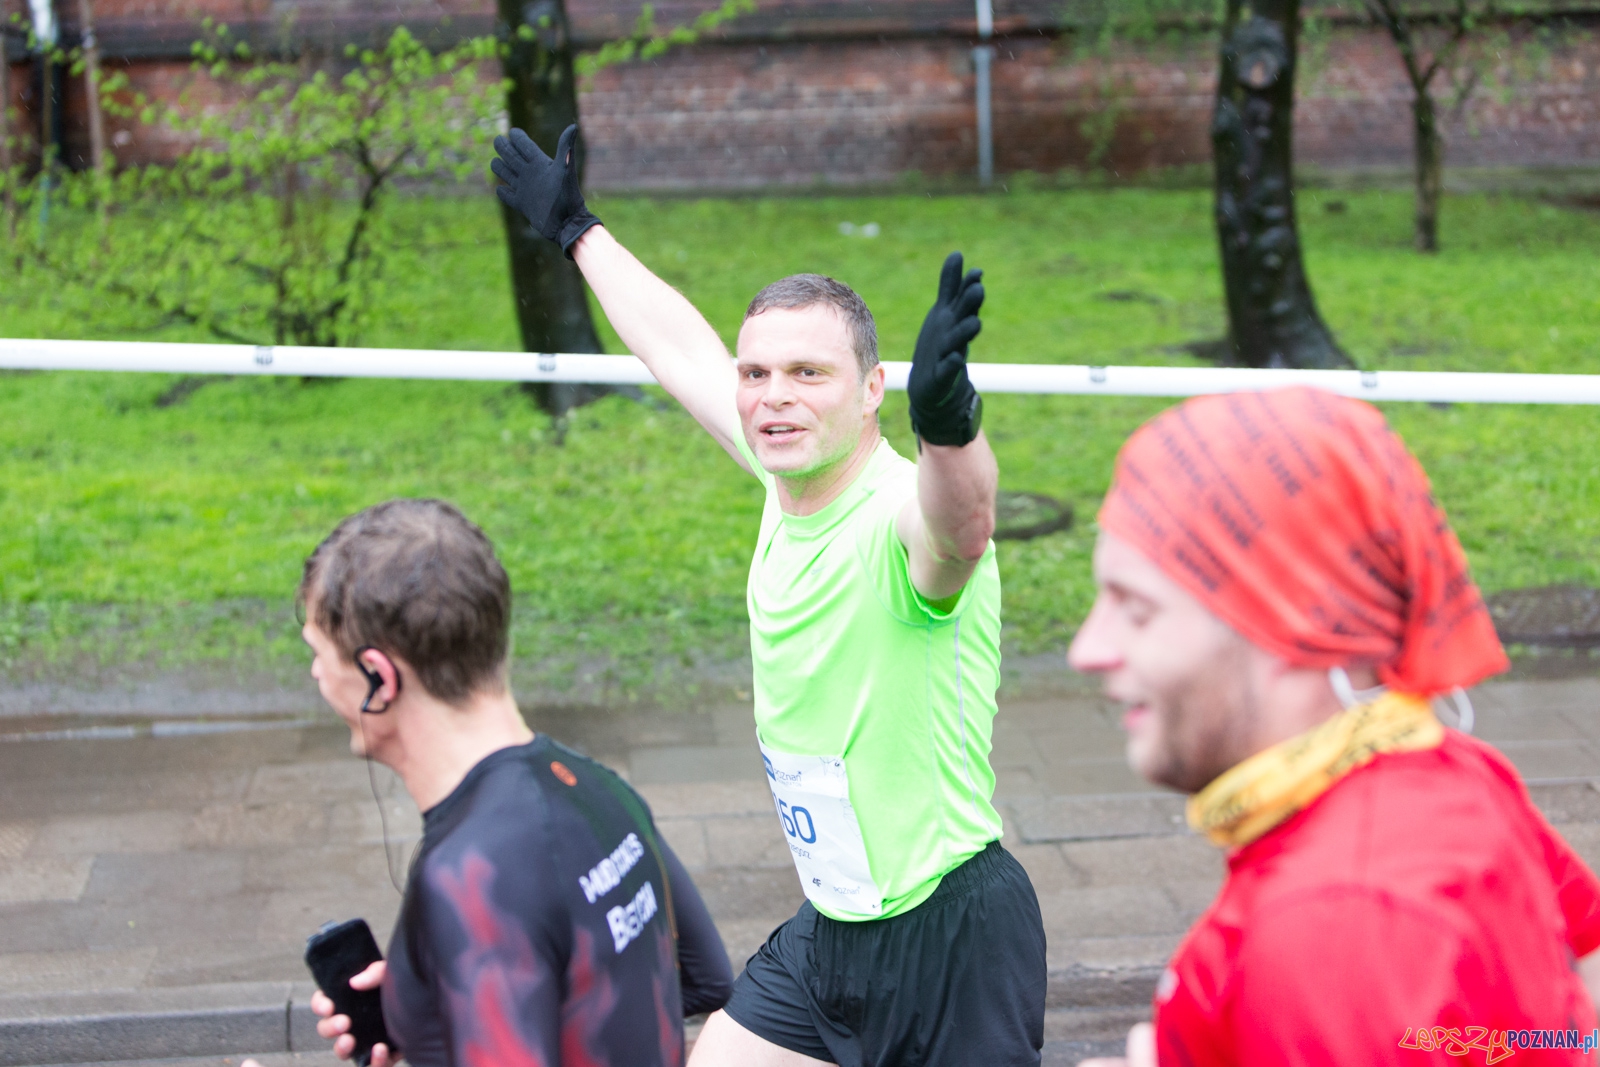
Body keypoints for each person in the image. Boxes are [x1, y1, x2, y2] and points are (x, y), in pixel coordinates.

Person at [490, 126, 1046, 1067]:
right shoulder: (781, 469)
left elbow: (962, 525)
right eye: (757, 374)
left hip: (949, 930)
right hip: (833, 926)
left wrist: (950, 427)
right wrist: (578, 229)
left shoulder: (894, 520)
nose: (771, 397)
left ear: (872, 390)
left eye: (807, 374)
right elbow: (677, 344)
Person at [1067, 387, 1600, 1067]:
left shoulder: (1337, 924)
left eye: (1136, 608)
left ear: (1290, 626)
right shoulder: (1459, 768)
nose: (1087, 647)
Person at [247, 498, 732, 1067]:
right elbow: (704, 982)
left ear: (378, 676)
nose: (316, 675)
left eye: (318, 654)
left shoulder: (468, 879)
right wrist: (439, 1008)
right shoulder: (598, 788)